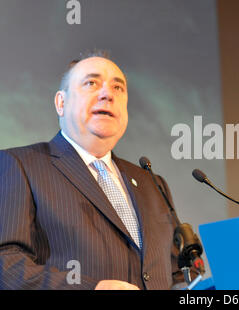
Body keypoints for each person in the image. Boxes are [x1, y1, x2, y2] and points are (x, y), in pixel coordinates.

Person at [0, 51, 185, 289]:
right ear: (61, 102)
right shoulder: (20, 164)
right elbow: (6, 263)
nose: (107, 94)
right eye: (91, 83)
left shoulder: (152, 183)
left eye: (118, 88)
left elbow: (177, 274)